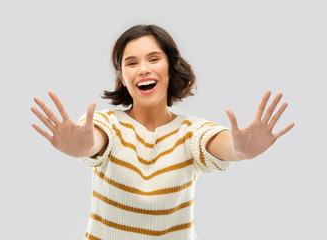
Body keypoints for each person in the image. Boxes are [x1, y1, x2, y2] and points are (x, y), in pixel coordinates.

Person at [31, 24, 294, 240]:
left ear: (170, 66)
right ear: (122, 77)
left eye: (153, 59)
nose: (143, 68)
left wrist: (240, 150)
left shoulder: (190, 132)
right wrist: (82, 145)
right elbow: (94, 140)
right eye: (131, 63)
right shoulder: (107, 123)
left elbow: (220, 143)